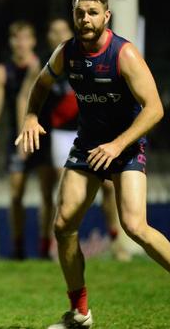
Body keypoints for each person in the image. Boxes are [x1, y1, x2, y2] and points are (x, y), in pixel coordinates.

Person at [15, 0, 170, 328]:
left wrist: (119, 144)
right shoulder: (66, 51)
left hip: (126, 146)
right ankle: (80, 314)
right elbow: (42, 84)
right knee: (63, 225)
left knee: (135, 226)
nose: (86, 19)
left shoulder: (125, 54)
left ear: (106, 15)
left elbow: (155, 109)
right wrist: (31, 115)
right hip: (88, 147)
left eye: (92, 12)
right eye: (80, 12)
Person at [46, 18, 130, 262]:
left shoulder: (88, 56)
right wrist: (29, 121)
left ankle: (116, 240)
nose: (59, 34)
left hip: (91, 132)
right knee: (61, 193)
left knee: (108, 186)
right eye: (54, 31)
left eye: (62, 30)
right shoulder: (55, 60)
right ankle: (57, 242)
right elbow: (33, 91)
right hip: (61, 134)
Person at [0, 20, 57, 259]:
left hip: (44, 137)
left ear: (33, 41)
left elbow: (24, 100)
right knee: (16, 195)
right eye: (17, 38)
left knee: (47, 194)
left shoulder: (43, 67)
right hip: (18, 138)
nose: (21, 43)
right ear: (11, 41)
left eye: (26, 38)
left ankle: (45, 246)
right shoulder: (2, 71)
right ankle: (18, 247)